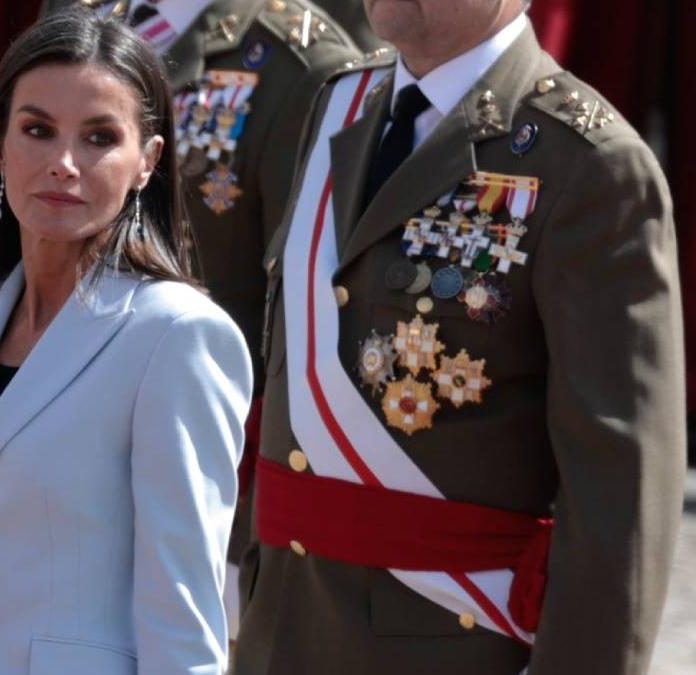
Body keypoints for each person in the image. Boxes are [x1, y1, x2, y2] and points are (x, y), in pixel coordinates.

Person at [234, 0, 685, 673]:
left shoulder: (587, 164)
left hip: (447, 643)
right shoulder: (338, 105)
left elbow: (619, 493)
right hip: (282, 635)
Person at [0, 9, 252, 675]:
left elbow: (183, 615)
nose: (62, 163)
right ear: (1, 147)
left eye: (98, 138)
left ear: (147, 163)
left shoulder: (178, 337)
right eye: (37, 130)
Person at [38, 0, 358, 635]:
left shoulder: (305, 64)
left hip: (175, 505)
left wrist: (240, 550)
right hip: (35, 465)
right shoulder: (75, 14)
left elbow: (295, 327)